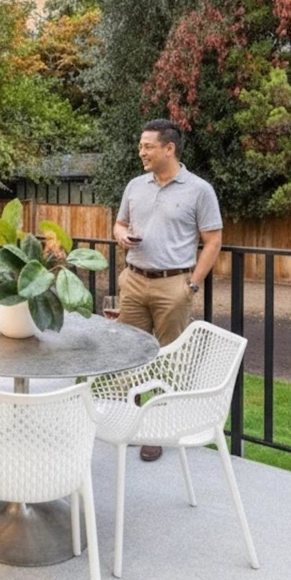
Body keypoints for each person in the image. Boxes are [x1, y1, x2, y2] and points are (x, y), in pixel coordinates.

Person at [113, 118, 223, 462]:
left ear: (169, 148)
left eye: (148, 146)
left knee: (166, 359)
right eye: (141, 145)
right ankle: (130, 422)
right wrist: (119, 234)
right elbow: (119, 223)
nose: (141, 151)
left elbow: (213, 239)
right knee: (127, 354)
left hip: (172, 284)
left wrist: (192, 284)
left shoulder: (199, 189)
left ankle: (157, 430)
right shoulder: (135, 185)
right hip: (133, 279)